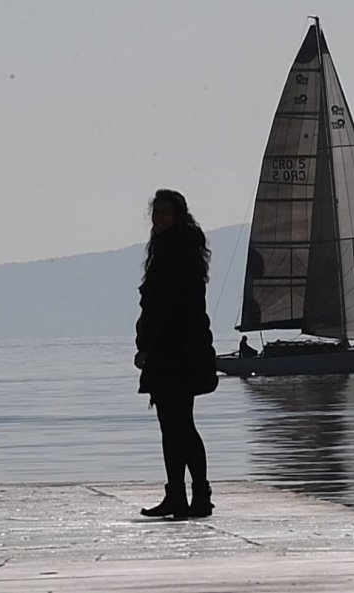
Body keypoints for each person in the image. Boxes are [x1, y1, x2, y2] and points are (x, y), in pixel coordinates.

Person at [135, 189, 219, 519]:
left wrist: (148, 345)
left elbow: (164, 308)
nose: (158, 219)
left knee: (177, 425)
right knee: (176, 425)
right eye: (156, 214)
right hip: (179, 349)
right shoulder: (179, 250)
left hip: (176, 352)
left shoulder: (175, 252)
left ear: (178, 215)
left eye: (165, 213)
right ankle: (185, 495)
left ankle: (192, 495)